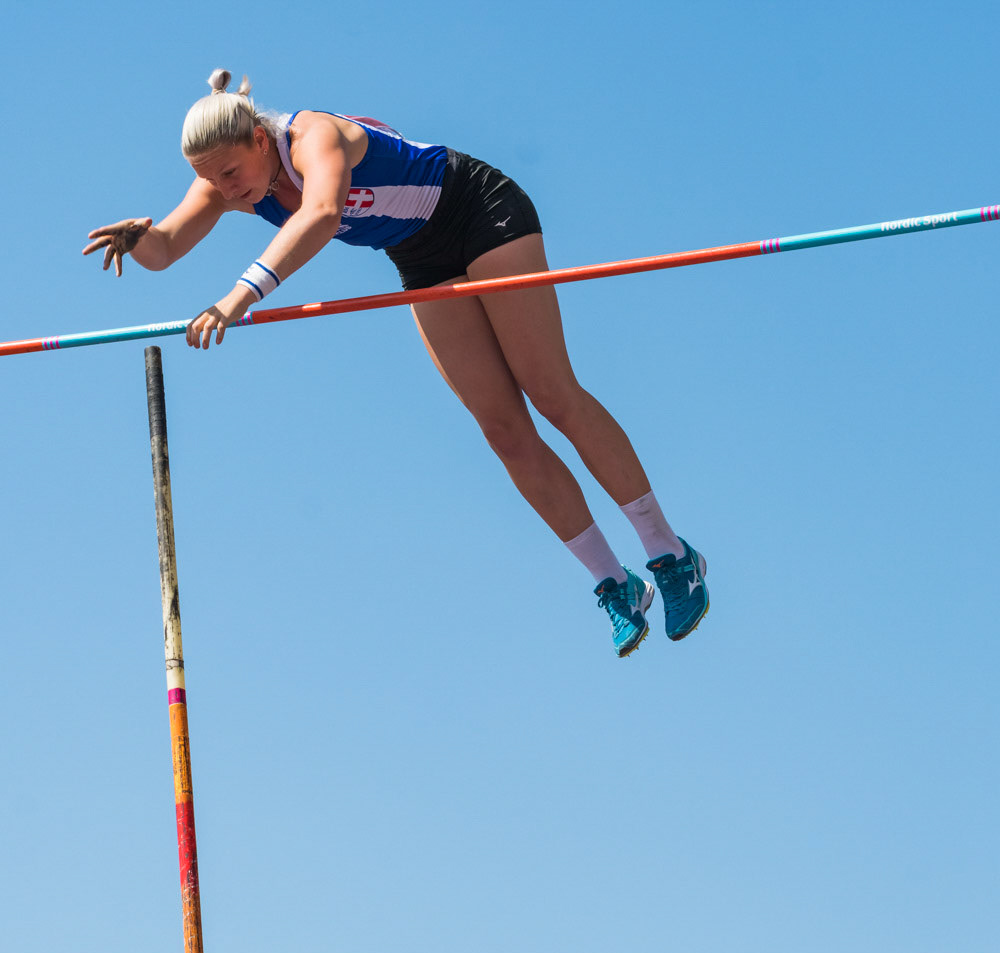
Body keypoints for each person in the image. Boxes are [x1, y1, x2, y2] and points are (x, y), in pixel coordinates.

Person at [84, 70, 709, 656]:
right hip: (418, 254)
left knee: (549, 391)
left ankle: (669, 553)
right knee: (504, 431)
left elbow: (322, 214)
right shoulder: (226, 181)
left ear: (257, 137)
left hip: (478, 212)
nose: (225, 190)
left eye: (230, 172)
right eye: (212, 181)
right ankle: (613, 583)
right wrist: (141, 240)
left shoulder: (313, 136)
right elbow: (166, 250)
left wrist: (237, 297)